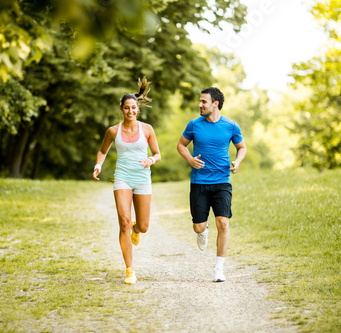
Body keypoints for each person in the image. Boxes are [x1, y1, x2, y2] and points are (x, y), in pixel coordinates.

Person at [92, 77, 161, 285]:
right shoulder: (113, 131)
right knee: (123, 222)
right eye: (126, 108)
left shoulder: (147, 129)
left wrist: (151, 159)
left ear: (138, 109)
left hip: (142, 178)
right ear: (121, 109)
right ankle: (129, 270)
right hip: (122, 177)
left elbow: (158, 154)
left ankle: (136, 229)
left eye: (134, 108)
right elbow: (102, 152)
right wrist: (98, 165)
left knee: (144, 225)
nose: (130, 111)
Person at [177, 87, 246, 282]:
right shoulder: (194, 125)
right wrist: (190, 159)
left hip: (222, 181)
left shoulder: (231, 126)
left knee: (223, 222)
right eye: (200, 102)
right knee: (198, 227)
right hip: (199, 182)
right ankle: (203, 231)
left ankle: (219, 268)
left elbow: (241, 147)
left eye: (203, 102)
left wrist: (237, 162)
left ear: (215, 103)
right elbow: (181, 145)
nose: (200, 105)